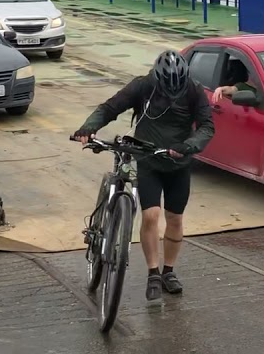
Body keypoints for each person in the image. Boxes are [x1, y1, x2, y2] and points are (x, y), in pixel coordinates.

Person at [72, 50, 214, 302]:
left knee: (175, 219)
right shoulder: (143, 85)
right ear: (158, 79)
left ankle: (169, 271)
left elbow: (206, 126)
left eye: (177, 86)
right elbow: (110, 107)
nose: (172, 91)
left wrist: (189, 145)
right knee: (151, 215)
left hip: (178, 163)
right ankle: (152, 272)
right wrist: (89, 127)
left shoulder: (194, 90)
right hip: (148, 159)